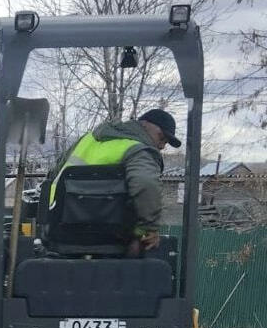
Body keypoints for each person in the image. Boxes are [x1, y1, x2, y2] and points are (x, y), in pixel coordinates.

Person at [49, 108, 181, 253]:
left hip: (57, 227)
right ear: (143, 124)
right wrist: (148, 229)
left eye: (166, 142)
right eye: (161, 137)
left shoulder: (89, 139)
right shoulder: (139, 151)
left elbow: (54, 173)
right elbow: (146, 184)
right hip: (108, 237)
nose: (162, 146)